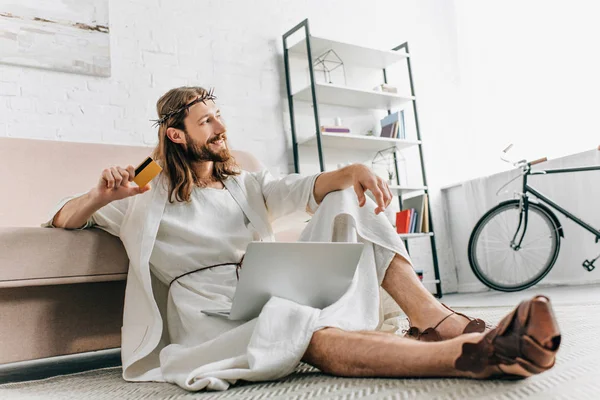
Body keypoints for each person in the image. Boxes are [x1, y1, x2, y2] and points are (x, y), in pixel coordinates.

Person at [44, 86, 561, 391]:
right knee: (299, 328)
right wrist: (99, 195)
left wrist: (353, 169)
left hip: (273, 280)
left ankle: (436, 322)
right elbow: (63, 220)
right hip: (211, 312)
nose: (221, 127)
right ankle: (477, 352)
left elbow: (303, 189)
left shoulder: (244, 182)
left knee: (347, 197)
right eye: (206, 121)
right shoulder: (141, 196)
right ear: (176, 134)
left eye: (218, 115)